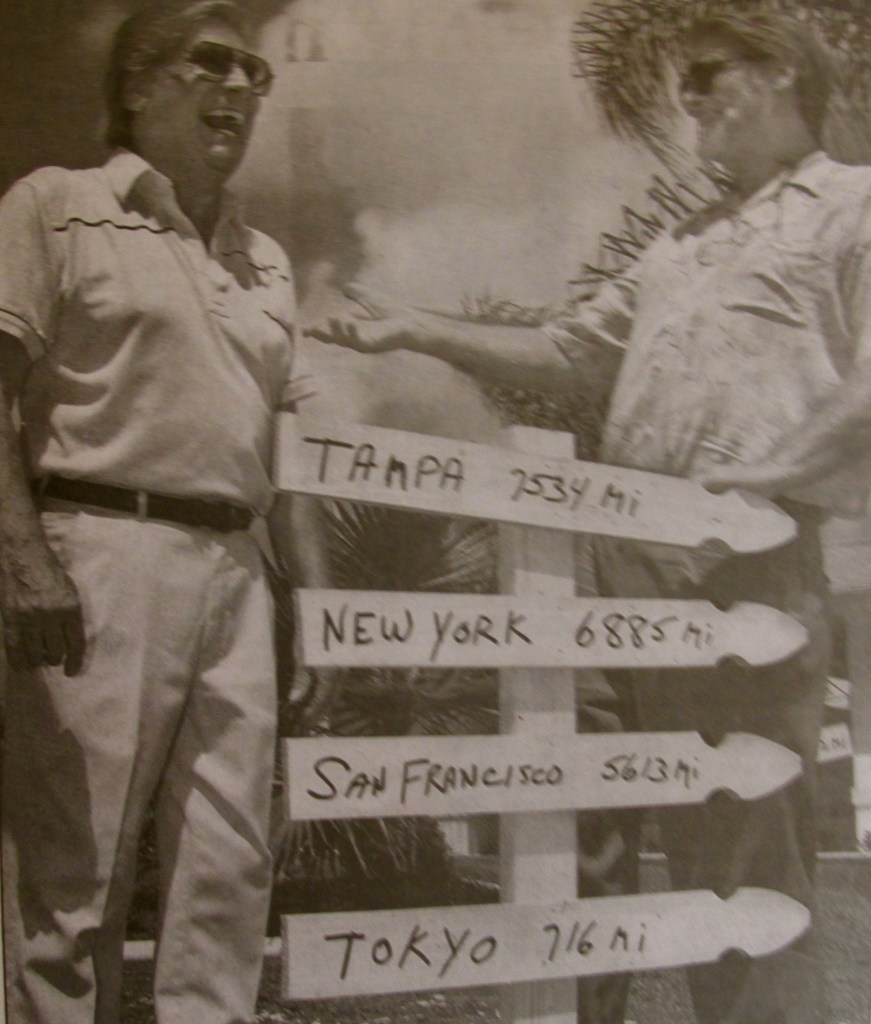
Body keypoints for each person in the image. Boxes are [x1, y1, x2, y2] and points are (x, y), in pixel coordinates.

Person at [308, 11, 871, 1024]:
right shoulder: (683, 238)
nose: (685, 101)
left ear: (780, 71)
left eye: (704, 77)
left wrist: (756, 480)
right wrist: (414, 328)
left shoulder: (853, 206)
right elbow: (574, 352)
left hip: (739, 569)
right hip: (612, 563)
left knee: (737, 864)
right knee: (578, 837)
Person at [0, 2, 336, 1022]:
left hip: (239, 567)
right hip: (101, 553)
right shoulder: (55, 207)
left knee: (227, 876)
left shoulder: (263, 258)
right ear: (139, 86)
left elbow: (277, 439)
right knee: (77, 875)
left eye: (255, 74)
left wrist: (310, 602)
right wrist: (25, 562)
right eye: (211, 64)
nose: (239, 88)